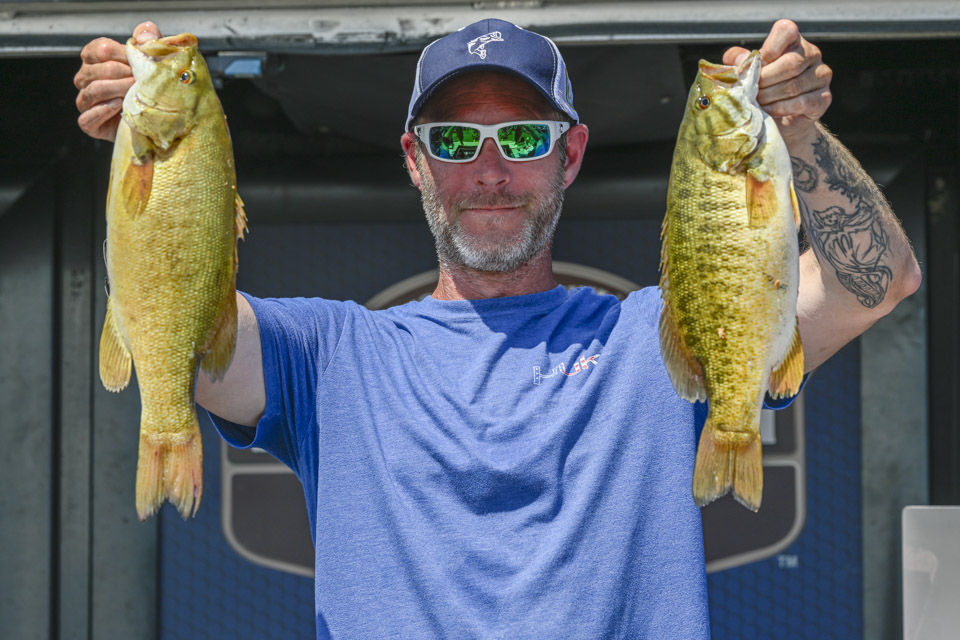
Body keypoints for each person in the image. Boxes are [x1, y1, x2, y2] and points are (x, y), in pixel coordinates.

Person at [74, 17, 921, 638]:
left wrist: (798, 133)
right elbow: (184, 337)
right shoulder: (331, 357)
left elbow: (879, 283)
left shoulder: (656, 340)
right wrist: (140, 153)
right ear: (416, 161)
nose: (488, 170)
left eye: (521, 137)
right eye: (454, 140)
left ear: (570, 155)